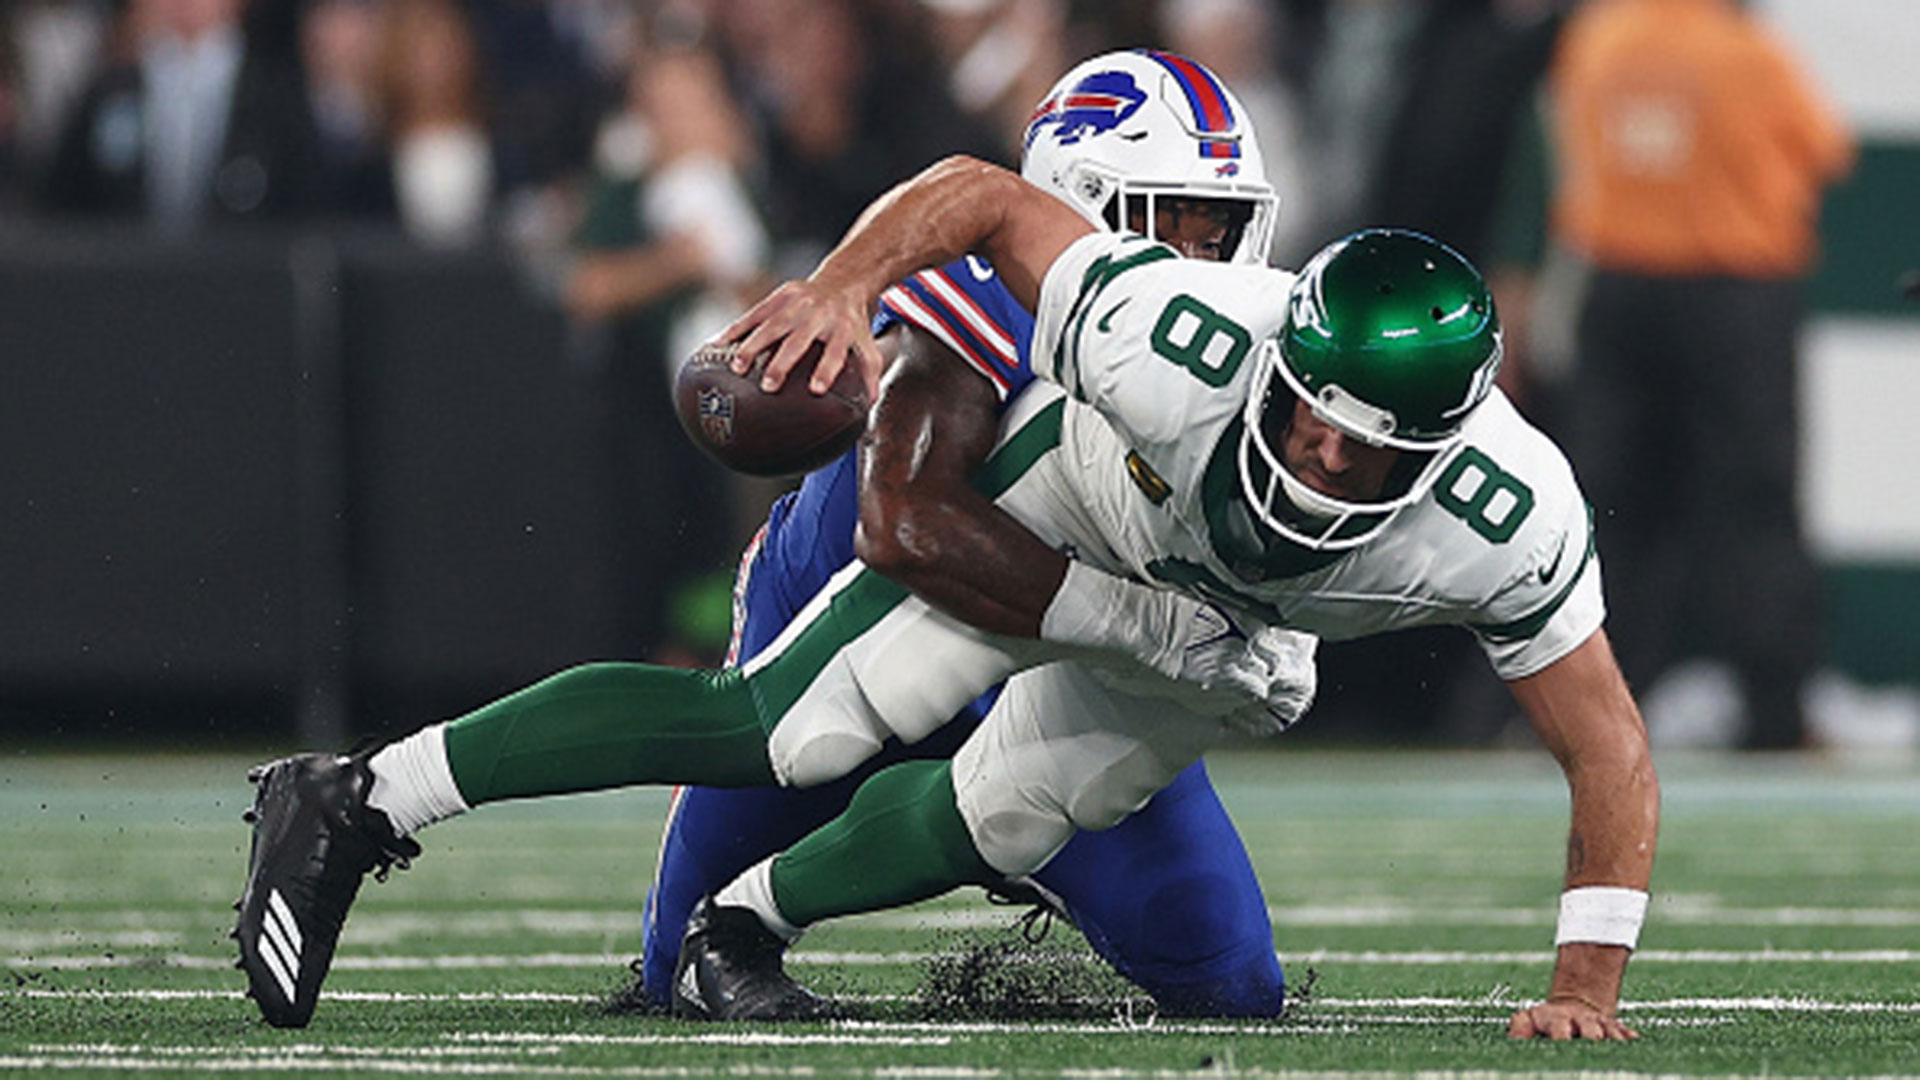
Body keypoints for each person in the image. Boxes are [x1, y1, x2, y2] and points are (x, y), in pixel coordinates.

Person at [236, 125, 1656, 1052]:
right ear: (1279, 357)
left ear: (1443, 448)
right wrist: (846, 290)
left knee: (1013, 809)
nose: (1321, 455)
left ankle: (756, 923)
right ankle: (360, 797)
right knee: (784, 730)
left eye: (1365, 448)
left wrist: (1585, 983)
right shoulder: (1177, 336)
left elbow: (1605, 741)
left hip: (1222, 619)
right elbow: (983, 194)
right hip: (1093, 501)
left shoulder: (1506, 517)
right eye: (1307, 414)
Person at [632, 49, 1289, 1019]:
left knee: (1232, 984)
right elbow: (901, 528)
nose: (1200, 263)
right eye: (1173, 224)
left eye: (1220, 228)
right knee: (669, 977)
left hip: (1049, 681)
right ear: (1079, 202)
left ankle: (998, 833)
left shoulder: (1237, 357)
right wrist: (1146, 629)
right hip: (833, 638)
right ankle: (403, 787)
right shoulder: (980, 299)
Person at [1542, 0, 1854, 750]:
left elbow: (1568, 144)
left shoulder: (1597, 37)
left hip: (1620, 289)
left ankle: (1586, 708)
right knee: (1753, 504)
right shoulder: (1747, 53)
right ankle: (1775, 711)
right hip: (1733, 292)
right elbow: (1825, 150)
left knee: (1613, 510)